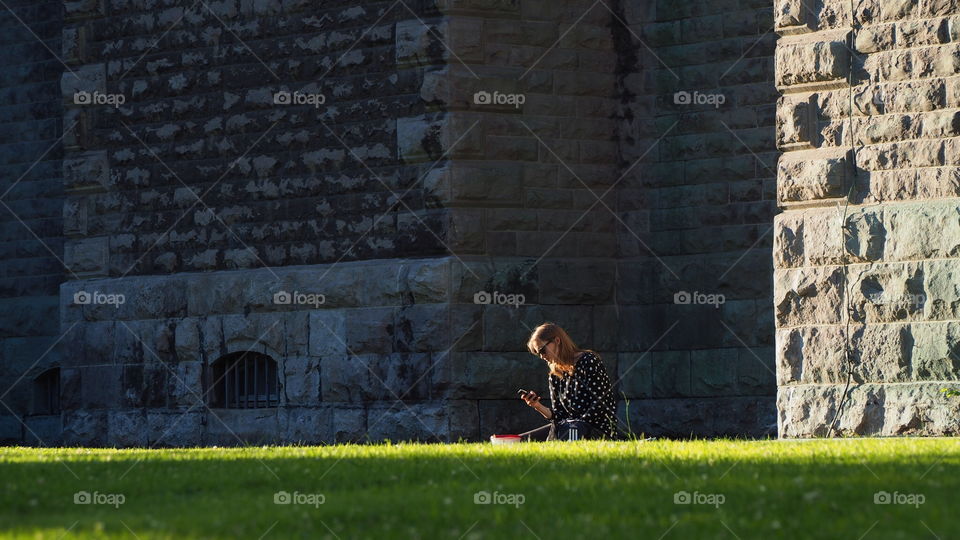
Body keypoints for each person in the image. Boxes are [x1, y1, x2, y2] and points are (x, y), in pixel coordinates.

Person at [518, 322, 620, 441]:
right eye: (538, 353)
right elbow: (558, 415)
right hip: (567, 427)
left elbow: (600, 407)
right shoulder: (554, 374)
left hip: (595, 429)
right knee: (518, 440)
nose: (541, 356)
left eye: (542, 350)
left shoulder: (589, 361)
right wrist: (537, 406)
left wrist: (571, 423)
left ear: (557, 340)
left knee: (570, 430)